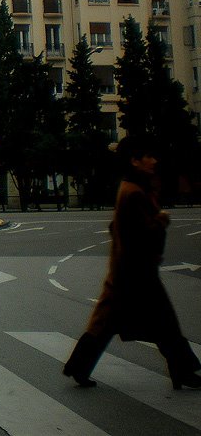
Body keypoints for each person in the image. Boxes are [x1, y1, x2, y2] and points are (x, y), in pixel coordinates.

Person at [63, 134, 201, 389]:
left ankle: (78, 368)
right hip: (136, 274)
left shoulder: (134, 187)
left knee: (107, 325)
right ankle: (183, 371)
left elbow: (116, 227)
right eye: (148, 156)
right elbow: (142, 233)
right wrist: (162, 219)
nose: (154, 160)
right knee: (164, 323)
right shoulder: (133, 192)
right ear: (135, 161)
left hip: (128, 273)